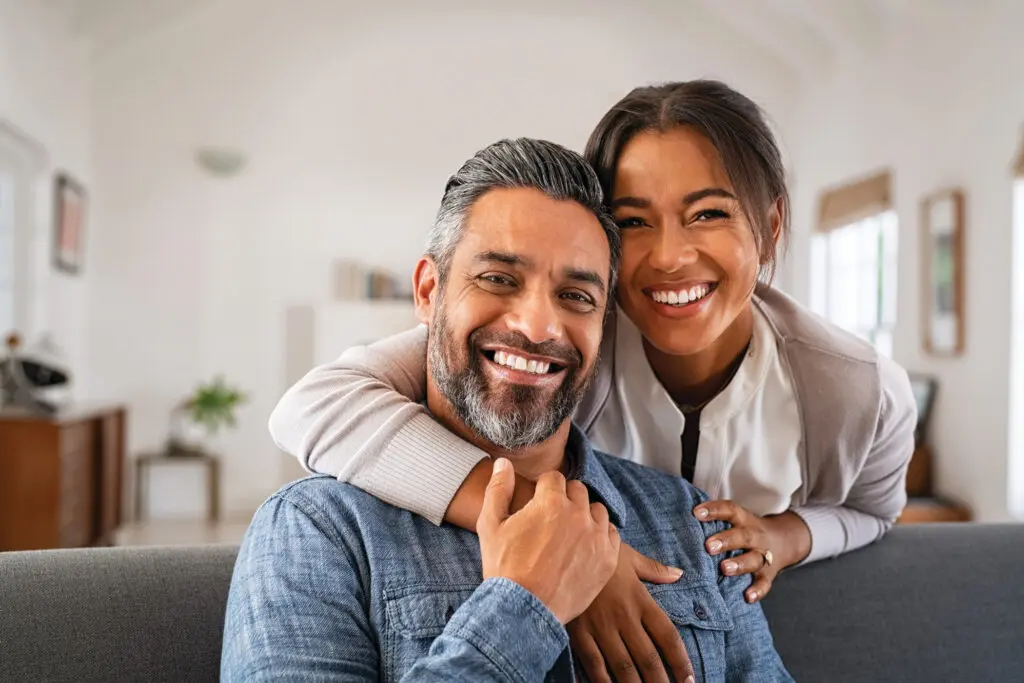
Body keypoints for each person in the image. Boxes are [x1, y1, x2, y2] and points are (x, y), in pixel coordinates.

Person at [269, 80, 916, 681]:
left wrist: (785, 535)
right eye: (634, 221)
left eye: (708, 213)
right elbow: (315, 405)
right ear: (429, 292)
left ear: (770, 227)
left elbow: (872, 510)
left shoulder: (836, 399)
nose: (668, 257)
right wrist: (551, 560)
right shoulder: (323, 532)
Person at [222, 138, 792, 682]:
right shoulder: (318, 531)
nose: (538, 326)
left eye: (576, 297)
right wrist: (523, 607)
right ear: (428, 292)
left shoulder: (689, 523)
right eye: (498, 279)